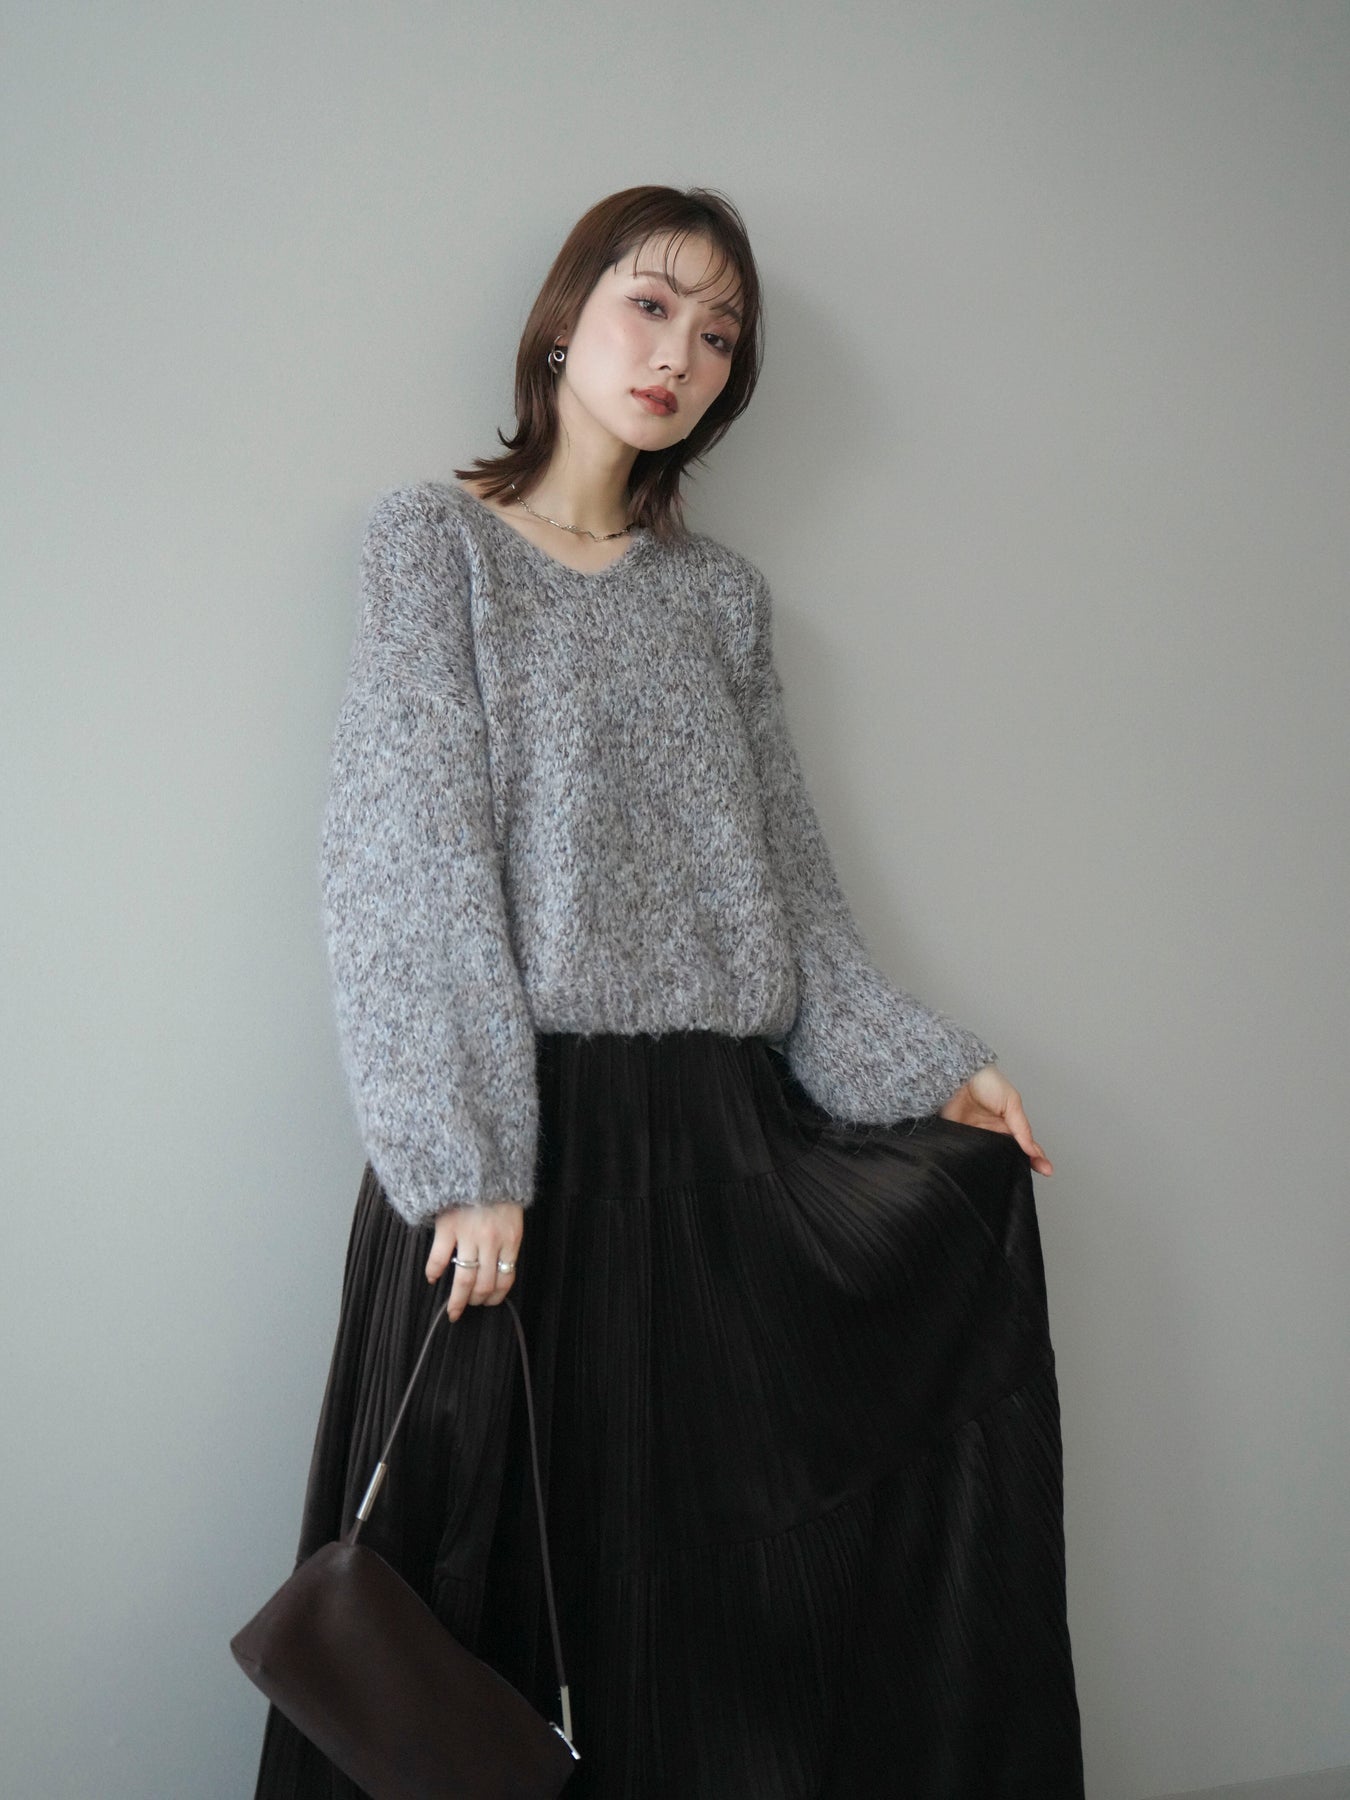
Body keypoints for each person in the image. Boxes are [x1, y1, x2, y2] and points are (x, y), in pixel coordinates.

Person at [253, 184, 1084, 1798]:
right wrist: (466, 1156)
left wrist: (924, 1067)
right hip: (518, 1152)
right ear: (564, 320)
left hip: (718, 1152)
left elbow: (787, 884)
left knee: (713, 1617)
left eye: (718, 337)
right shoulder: (433, 546)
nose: (679, 357)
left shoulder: (717, 598)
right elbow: (406, 859)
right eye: (651, 305)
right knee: (479, 1610)